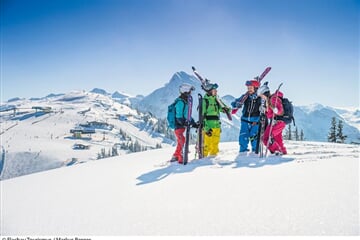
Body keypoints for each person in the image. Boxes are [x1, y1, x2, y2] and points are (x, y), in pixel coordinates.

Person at [231, 80, 262, 154]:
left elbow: (265, 107)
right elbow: (234, 102)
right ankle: (242, 151)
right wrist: (236, 104)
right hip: (245, 120)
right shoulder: (245, 96)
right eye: (248, 88)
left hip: (255, 121)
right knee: (243, 136)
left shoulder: (260, 97)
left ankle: (255, 151)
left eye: (250, 88)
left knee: (254, 136)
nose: (249, 90)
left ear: (255, 88)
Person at [202, 83, 230, 157]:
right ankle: (203, 159)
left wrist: (226, 109)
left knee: (215, 144)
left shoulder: (217, 100)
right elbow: (202, 116)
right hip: (209, 126)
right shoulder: (205, 101)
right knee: (207, 144)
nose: (216, 91)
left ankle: (213, 159)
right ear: (210, 91)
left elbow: (224, 109)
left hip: (217, 126)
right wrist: (206, 128)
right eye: (214, 90)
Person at [171, 83, 198, 164]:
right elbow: (179, 115)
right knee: (182, 141)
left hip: (181, 126)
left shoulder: (185, 102)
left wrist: (193, 123)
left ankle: (175, 156)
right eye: (190, 91)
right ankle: (180, 159)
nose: (190, 93)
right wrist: (183, 122)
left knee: (181, 141)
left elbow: (187, 115)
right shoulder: (180, 102)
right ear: (185, 91)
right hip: (178, 126)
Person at [261, 89, 287, 155]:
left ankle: (277, 151)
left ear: (265, 94)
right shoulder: (269, 101)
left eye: (262, 96)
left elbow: (280, 111)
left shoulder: (274, 98)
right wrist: (266, 110)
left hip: (277, 122)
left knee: (266, 138)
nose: (262, 98)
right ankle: (283, 152)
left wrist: (275, 110)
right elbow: (270, 114)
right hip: (278, 122)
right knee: (278, 139)